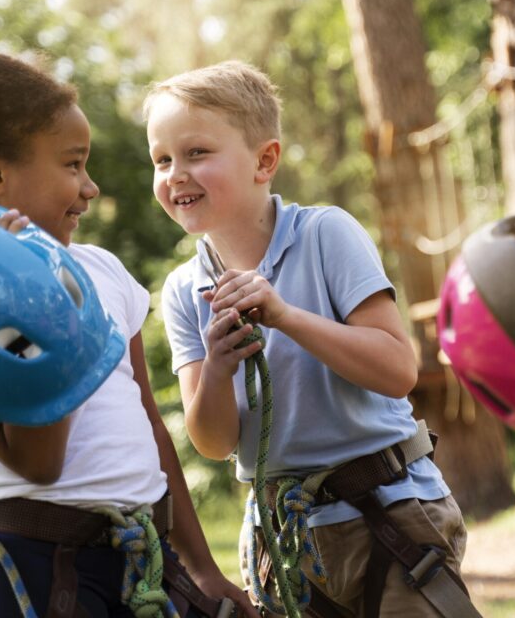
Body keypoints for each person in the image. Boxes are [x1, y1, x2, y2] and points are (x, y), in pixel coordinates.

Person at [143, 61, 474, 618]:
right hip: (285, 541)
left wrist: (284, 315)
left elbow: (398, 369)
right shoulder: (183, 290)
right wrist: (219, 368)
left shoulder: (325, 234)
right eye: (162, 159)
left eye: (197, 153)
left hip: (390, 513)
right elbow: (214, 442)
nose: (175, 173)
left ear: (264, 161)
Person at [0, 53, 257, 618]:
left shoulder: (104, 272)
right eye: (72, 165)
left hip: (144, 560)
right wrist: (32, 288)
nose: (90, 188)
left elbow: (149, 423)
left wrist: (203, 568)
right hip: (36, 567)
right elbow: (40, 463)